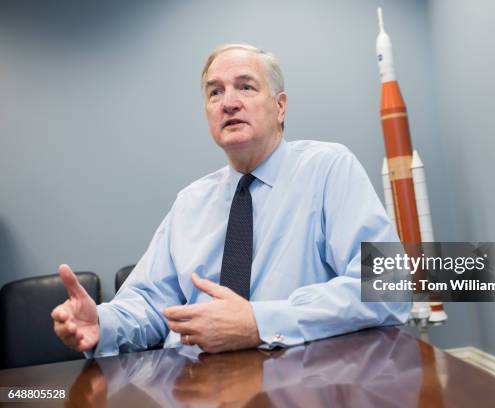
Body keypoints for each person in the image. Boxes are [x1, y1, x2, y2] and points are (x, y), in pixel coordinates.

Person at [51, 43, 409, 357]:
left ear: (280, 106)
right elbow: (149, 304)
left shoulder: (328, 169)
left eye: (246, 87)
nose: (229, 103)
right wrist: (102, 322)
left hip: (301, 383)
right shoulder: (190, 202)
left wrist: (259, 322)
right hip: (194, 387)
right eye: (215, 93)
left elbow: (388, 286)